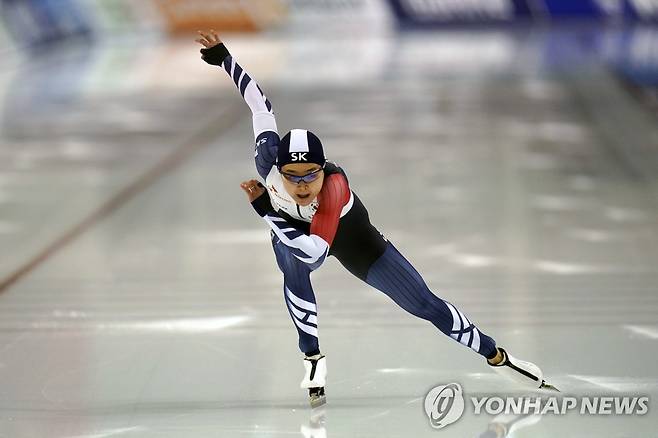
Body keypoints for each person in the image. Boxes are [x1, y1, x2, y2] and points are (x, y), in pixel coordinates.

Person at [195, 30, 557, 407]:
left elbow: (315, 251)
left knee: (423, 304)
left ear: (324, 170)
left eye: (310, 176)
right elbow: (260, 106)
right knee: (292, 267)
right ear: (278, 170)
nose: (302, 185)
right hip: (297, 233)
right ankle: (313, 358)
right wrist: (225, 57)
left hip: (350, 236)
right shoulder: (267, 159)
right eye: (292, 177)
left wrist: (266, 210)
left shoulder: (334, 189)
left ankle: (497, 355)